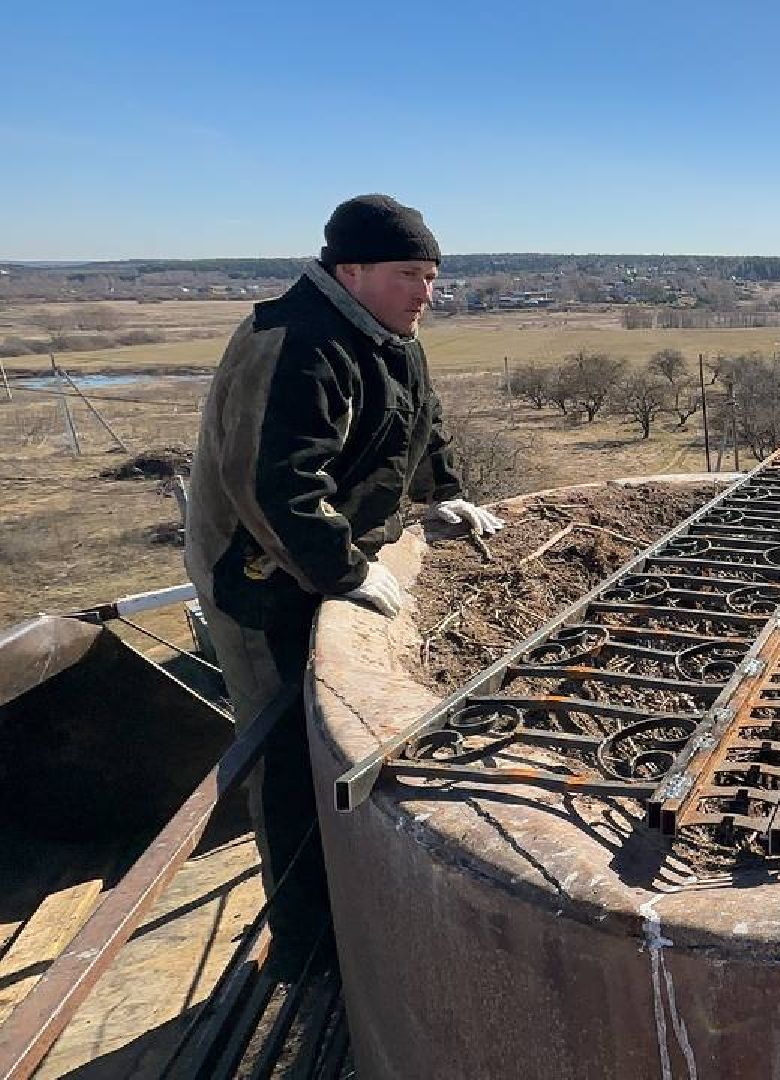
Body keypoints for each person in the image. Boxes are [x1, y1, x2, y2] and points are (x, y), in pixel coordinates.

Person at [185, 194, 502, 969]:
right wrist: (344, 570)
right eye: (409, 275)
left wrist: (443, 489)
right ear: (349, 271)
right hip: (258, 579)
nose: (426, 294)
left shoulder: (389, 333)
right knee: (290, 750)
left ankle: (355, 893)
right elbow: (272, 487)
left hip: (315, 561)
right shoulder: (293, 340)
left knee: (337, 738)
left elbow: (421, 421)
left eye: (432, 276)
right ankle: (307, 942)